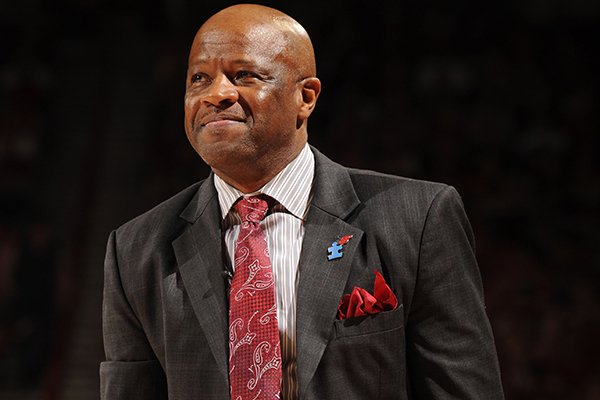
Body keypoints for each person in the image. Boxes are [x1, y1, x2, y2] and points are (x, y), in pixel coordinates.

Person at [100, 4, 504, 399]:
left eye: (243, 75)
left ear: (306, 97)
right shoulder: (135, 249)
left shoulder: (417, 218)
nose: (217, 94)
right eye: (199, 79)